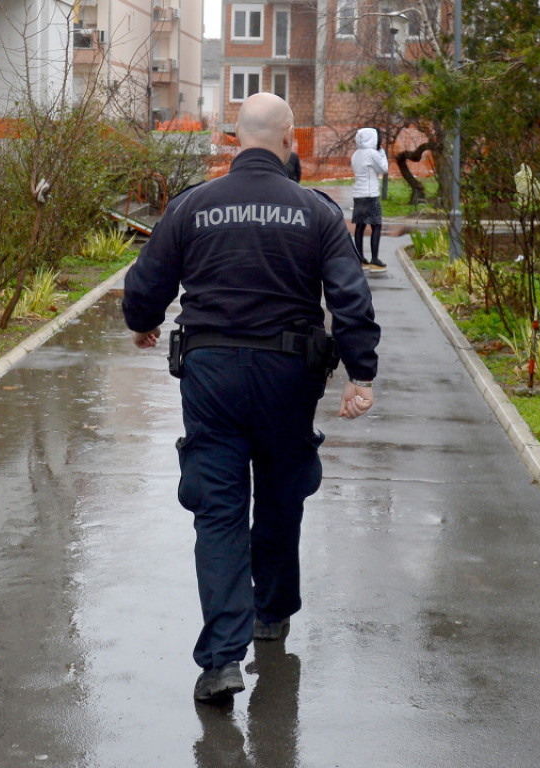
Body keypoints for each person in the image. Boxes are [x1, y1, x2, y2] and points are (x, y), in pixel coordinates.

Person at [123, 92, 380, 704]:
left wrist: (144, 320)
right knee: (281, 494)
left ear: (233, 138)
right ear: (288, 137)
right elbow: (351, 298)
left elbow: (145, 283)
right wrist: (360, 375)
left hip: (211, 378)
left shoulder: (192, 206)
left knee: (218, 509)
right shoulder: (315, 212)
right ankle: (271, 613)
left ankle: (219, 662)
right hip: (289, 377)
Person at [350, 127, 389, 272]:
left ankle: (359, 258)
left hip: (358, 195)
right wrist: (382, 153)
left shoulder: (356, 154)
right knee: (376, 225)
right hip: (371, 194)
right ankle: (374, 260)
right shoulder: (372, 153)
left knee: (360, 226)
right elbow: (383, 169)